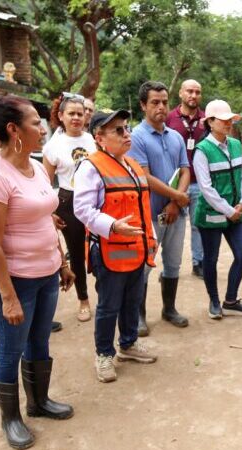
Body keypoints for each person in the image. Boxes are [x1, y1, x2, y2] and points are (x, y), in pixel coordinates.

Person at [0, 91, 75, 450]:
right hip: (12, 279)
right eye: (35, 123)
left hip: (45, 273)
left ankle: (40, 403)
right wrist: (8, 297)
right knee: (11, 348)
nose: (43, 129)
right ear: (14, 129)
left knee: (39, 340)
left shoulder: (33, 165)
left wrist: (61, 261)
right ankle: (11, 418)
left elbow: (47, 217)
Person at [74, 109, 159, 383]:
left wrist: (151, 238)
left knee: (133, 300)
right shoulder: (90, 166)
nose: (126, 134)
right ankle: (104, 354)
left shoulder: (133, 164)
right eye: (118, 131)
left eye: (127, 128)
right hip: (110, 249)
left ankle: (129, 344)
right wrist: (112, 226)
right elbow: (83, 209)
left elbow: (142, 207)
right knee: (109, 305)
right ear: (99, 137)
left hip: (136, 247)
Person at [129, 81, 192, 333]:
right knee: (145, 265)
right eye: (155, 102)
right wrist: (176, 197)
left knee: (174, 262)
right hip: (150, 215)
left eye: (165, 102)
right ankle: (139, 316)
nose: (161, 107)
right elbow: (144, 177)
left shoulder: (175, 136)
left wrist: (176, 202)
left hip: (176, 214)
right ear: (143, 105)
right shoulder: (136, 137)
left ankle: (169, 309)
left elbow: (185, 169)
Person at [192, 100, 242, 319]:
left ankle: (231, 299)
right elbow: (206, 188)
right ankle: (214, 301)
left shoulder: (236, 144)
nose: (228, 123)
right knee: (211, 259)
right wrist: (228, 210)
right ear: (210, 122)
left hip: (236, 211)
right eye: (223, 119)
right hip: (211, 215)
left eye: (230, 119)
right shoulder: (202, 150)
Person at [43, 94, 97, 322]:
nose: (77, 117)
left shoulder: (94, 140)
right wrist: (51, 212)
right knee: (76, 253)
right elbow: (45, 183)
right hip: (68, 201)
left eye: (80, 113)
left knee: (99, 249)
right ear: (61, 116)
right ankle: (83, 299)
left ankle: (105, 294)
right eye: (71, 113)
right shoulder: (53, 146)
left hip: (95, 198)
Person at [166, 79, 205, 279]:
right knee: (172, 224)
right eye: (189, 91)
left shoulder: (206, 119)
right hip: (176, 183)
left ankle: (199, 262)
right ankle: (169, 268)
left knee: (198, 224)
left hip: (199, 181)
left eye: (197, 92)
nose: (193, 95)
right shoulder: (169, 118)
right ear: (181, 93)